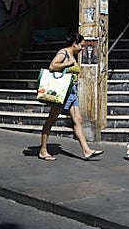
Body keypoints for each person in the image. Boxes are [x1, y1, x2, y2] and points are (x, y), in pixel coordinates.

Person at [38, 32, 104, 161]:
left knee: (78, 120)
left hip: (71, 91)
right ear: (74, 44)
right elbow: (52, 66)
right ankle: (43, 150)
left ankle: (86, 150)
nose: (83, 48)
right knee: (51, 120)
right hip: (61, 92)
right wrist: (68, 63)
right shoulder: (64, 53)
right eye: (81, 46)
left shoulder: (72, 54)